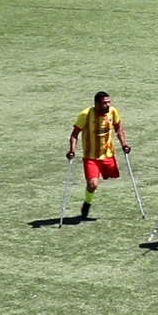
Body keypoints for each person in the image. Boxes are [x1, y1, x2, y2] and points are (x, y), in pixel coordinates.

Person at [66, 91, 130, 220]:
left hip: (107, 155)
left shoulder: (112, 112)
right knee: (92, 184)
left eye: (108, 102)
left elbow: (118, 128)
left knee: (115, 177)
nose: (108, 105)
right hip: (91, 157)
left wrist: (124, 144)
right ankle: (87, 203)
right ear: (96, 104)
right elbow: (74, 134)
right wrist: (72, 150)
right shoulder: (85, 115)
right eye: (104, 103)